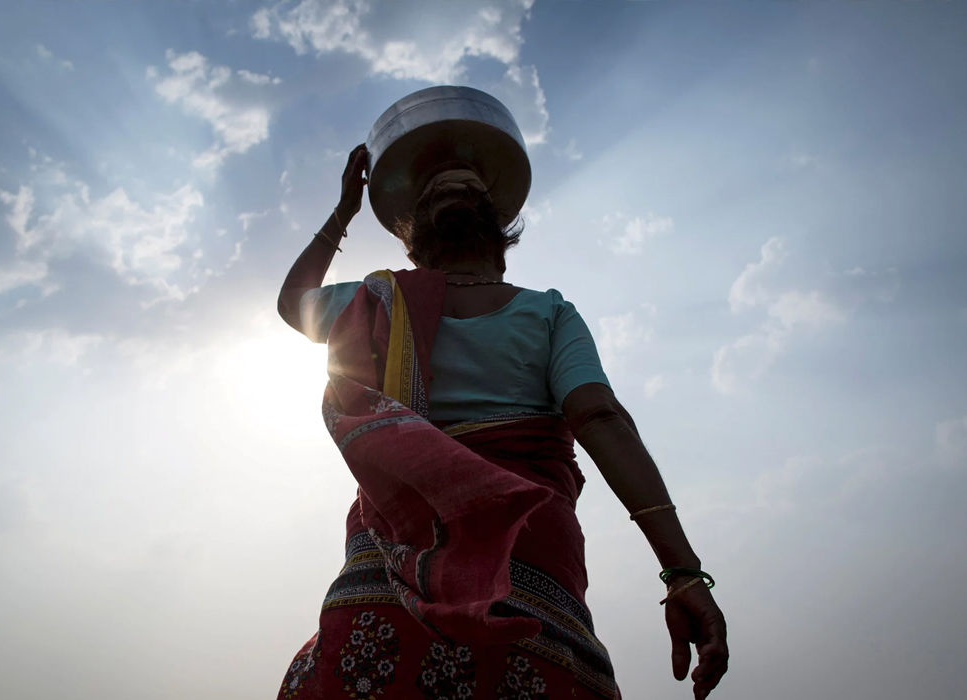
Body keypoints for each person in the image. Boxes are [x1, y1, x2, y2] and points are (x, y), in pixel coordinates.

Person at [275, 144, 728, 699]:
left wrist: (347, 210)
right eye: (441, 192)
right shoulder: (386, 301)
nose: (453, 194)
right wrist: (682, 571)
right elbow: (598, 415)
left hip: (470, 543)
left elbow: (598, 415)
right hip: (440, 542)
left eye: (464, 189)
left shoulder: (542, 309)